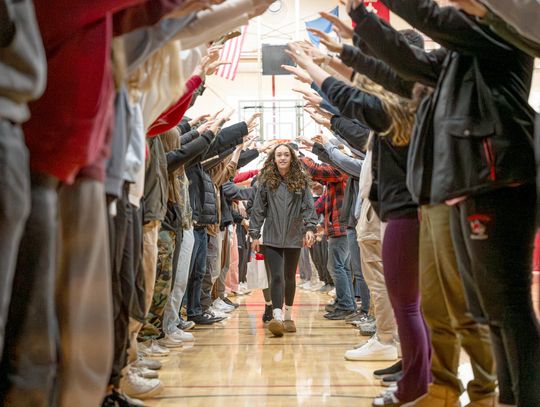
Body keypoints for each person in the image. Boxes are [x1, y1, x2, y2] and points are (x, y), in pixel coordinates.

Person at [249, 143, 318, 337]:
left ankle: (288, 316)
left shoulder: (301, 180)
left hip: (294, 235)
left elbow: (308, 206)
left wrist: (310, 228)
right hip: (271, 236)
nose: (282, 158)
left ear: (291, 158)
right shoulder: (265, 180)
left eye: (286, 155)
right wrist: (254, 234)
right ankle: (277, 317)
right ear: (274, 158)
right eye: (278, 155)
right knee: (276, 276)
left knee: (289, 277)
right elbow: (258, 209)